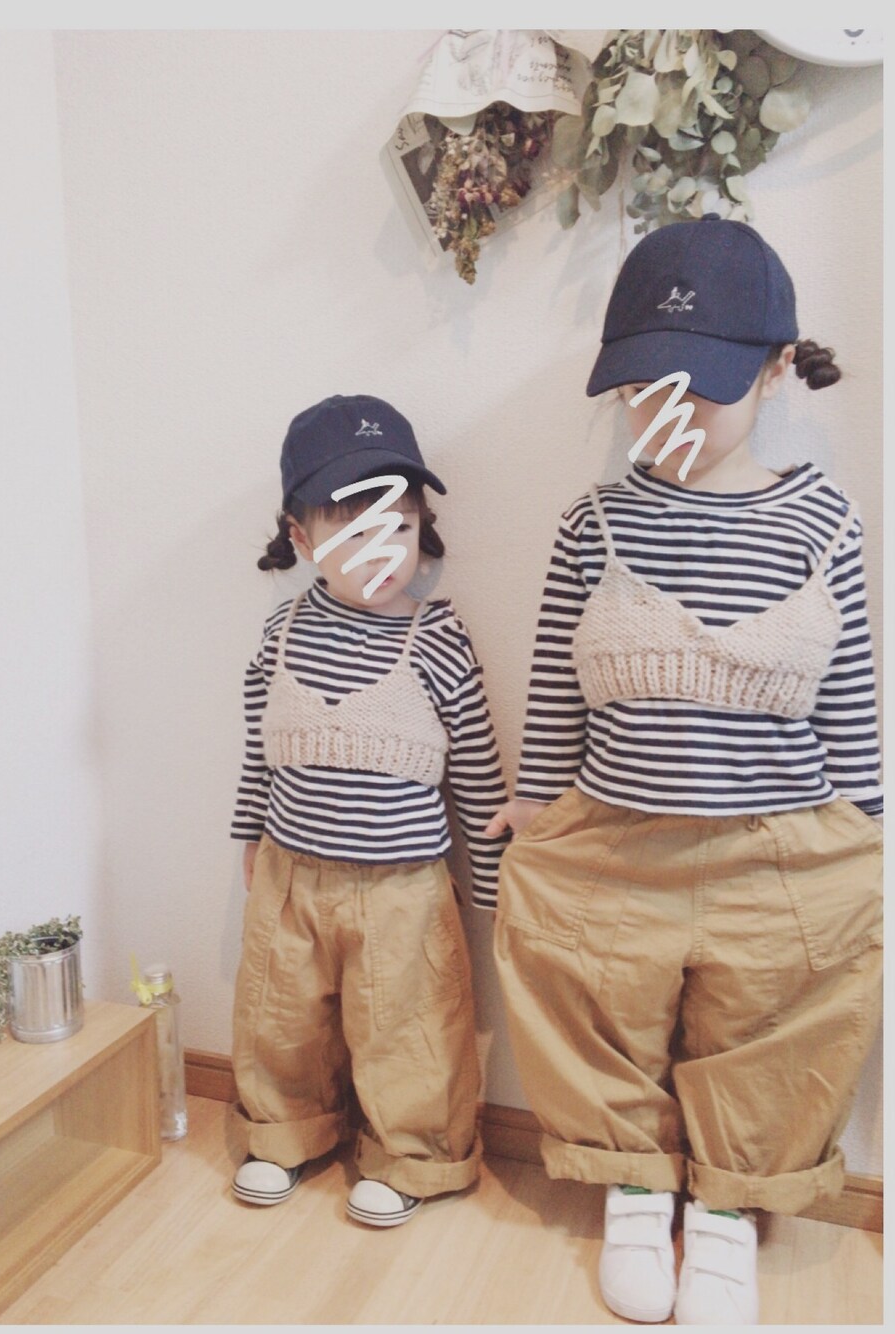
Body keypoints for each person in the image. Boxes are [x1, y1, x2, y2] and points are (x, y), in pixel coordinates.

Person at [486, 217, 882, 1324]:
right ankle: (630, 1183)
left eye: (697, 387)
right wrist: (537, 799)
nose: (666, 413)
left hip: (781, 849)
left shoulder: (825, 524)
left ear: (774, 367)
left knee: (776, 1025)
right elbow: (557, 681)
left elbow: (850, 691)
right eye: (640, 388)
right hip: (614, 843)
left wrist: (867, 827)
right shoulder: (594, 523)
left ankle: (726, 1208)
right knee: (591, 1004)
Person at [229, 392, 509, 1227]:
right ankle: (283, 1130)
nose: (381, 552)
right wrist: (249, 835)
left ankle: (413, 1154)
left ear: (423, 526)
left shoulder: (438, 639)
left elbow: (479, 774)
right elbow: (258, 749)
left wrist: (494, 882)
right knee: (280, 1018)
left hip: (403, 890)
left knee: (409, 1027)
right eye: (352, 534)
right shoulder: (281, 634)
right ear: (301, 538)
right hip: (291, 874)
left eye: (398, 527)